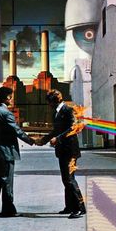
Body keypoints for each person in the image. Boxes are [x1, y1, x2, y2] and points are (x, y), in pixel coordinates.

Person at [0, 86, 35, 217]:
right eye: (11, 97)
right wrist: (31, 140)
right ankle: (8, 210)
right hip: (6, 152)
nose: (12, 100)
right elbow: (16, 130)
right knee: (7, 180)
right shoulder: (6, 113)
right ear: (7, 98)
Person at [36, 89, 86, 219]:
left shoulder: (68, 110)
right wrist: (44, 139)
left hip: (70, 150)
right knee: (66, 180)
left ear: (54, 101)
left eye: (49, 102)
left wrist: (57, 139)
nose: (49, 105)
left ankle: (79, 208)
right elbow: (55, 130)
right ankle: (69, 206)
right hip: (63, 150)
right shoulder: (57, 112)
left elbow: (72, 128)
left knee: (70, 179)